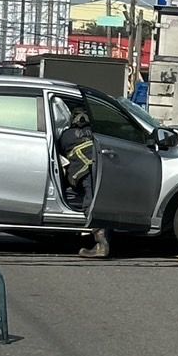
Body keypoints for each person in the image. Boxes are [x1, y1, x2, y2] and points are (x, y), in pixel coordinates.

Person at [55, 107, 110, 259]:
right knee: (96, 200)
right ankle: (102, 238)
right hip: (100, 169)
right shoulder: (97, 132)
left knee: (89, 202)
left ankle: (100, 244)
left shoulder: (66, 135)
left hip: (81, 172)